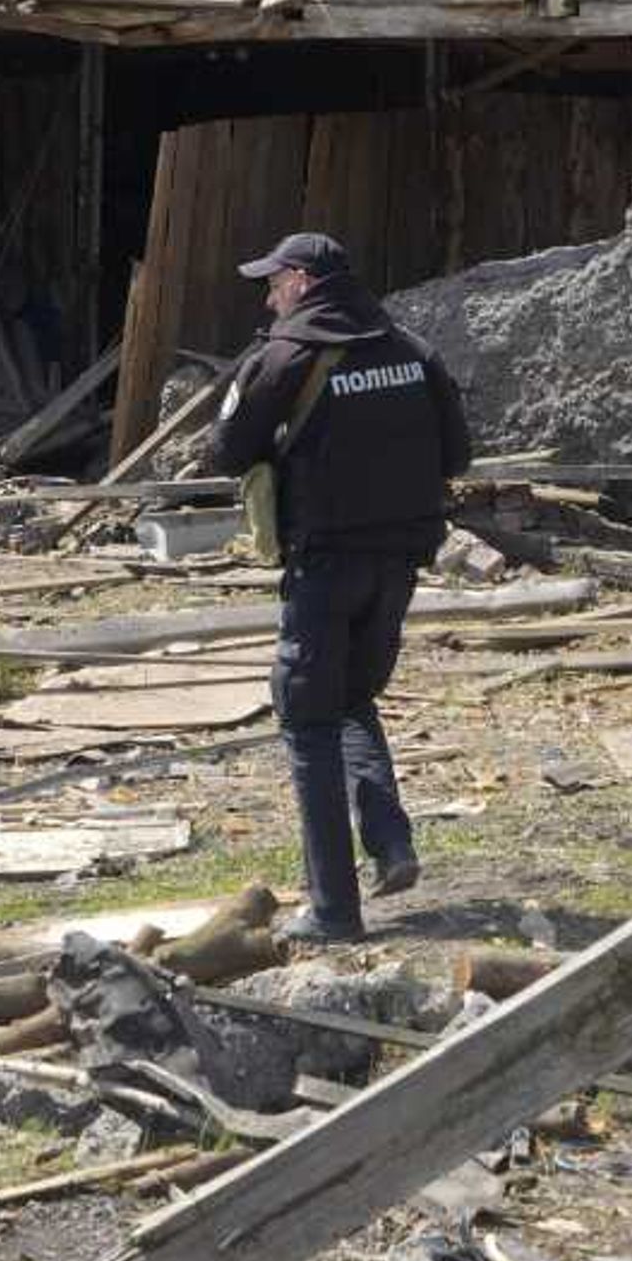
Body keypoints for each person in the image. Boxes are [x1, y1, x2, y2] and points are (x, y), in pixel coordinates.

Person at [207, 229, 472, 942]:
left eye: (273, 282)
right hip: (401, 564)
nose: (268, 296)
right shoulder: (413, 353)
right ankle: (391, 844)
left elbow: (226, 451)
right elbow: (460, 453)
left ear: (300, 281)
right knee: (352, 697)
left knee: (308, 720)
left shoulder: (284, 358)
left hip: (325, 565)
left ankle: (332, 910)